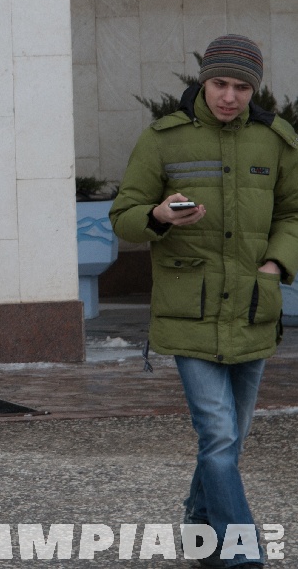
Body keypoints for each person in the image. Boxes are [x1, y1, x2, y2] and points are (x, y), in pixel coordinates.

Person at [111, 35, 297, 567]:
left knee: (230, 440)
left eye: (242, 87)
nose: (230, 96)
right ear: (204, 81)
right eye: (220, 84)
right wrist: (158, 216)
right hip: (187, 312)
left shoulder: (277, 141)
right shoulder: (163, 139)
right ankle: (243, 556)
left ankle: (199, 529)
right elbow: (123, 214)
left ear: (254, 90)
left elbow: (293, 213)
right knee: (218, 435)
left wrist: (275, 265)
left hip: (253, 308)